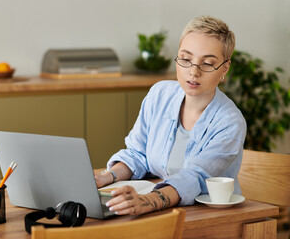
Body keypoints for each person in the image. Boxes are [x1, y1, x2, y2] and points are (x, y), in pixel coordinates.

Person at [95, 15, 246, 216]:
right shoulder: (159, 95)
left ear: (224, 68)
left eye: (208, 63)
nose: (193, 72)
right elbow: (137, 154)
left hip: (208, 216)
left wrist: (147, 202)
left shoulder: (230, 122)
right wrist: (106, 177)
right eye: (185, 59)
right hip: (164, 211)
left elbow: (194, 178)